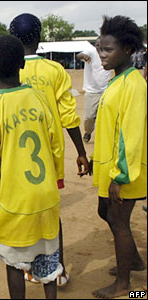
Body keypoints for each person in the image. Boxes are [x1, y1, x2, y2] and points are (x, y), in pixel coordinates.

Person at [0, 35, 64, 299]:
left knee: (15, 264)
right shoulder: (41, 99)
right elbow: (56, 144)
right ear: (22, 63)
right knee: (48, 263)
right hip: (46, 198)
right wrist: (55, 178)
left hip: (14, 205)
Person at [1, 13, 89, 287]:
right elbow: (68, 116)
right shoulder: (55, 71)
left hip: (15, 157)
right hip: (49, 157)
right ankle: (56, 268)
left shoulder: (7, 69)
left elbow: (0, 111)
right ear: (39, 38)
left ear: (13, 39)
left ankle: (27, 265)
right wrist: (81, 151)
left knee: (23, 214)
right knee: (51, 214)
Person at [90, 15, 146, 299]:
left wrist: (120, 177)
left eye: (108, 50)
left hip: (128, 170)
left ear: (127, 49)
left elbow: (130, 136)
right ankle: (134, 260)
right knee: (106, 212)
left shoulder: (133, 85)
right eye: (100, 48)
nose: (101, 55)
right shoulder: (117, 80)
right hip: (111, 166)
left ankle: (124, 285)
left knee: (118, 218)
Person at [76, 39, 112, 143]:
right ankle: (88, 131)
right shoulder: (91, 51)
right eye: (97, 45)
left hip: (107, 90)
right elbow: (79, 55)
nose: (99, 47)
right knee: (89, 117)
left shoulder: (110, 53)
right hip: (92, 91)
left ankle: (106, 137)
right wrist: (83, 56)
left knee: (107, 115)